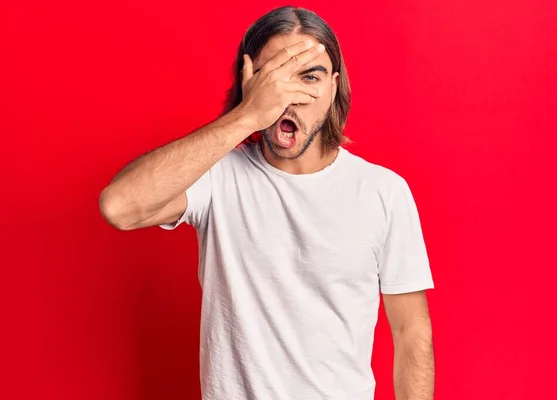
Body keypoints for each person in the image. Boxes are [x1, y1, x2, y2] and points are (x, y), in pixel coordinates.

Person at [99, 5, 435, 400]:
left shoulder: (383, 192)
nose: (288, 97)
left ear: (333, 87)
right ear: (249, 83)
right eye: (273, 76)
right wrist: (247, 115)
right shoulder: (216, 178)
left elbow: (411, 330)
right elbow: (119, 207)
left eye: (309, 77)